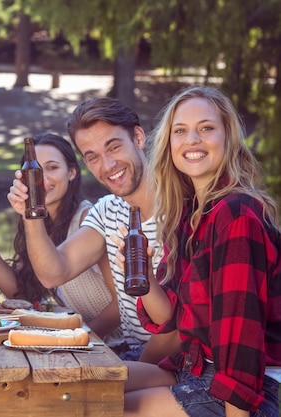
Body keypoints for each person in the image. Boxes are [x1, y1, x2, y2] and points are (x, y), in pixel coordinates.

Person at [120, 85, 280, 416]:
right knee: (85, 385)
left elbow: (241, 336)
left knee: (105, 408)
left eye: (206, 128)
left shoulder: (236, 214)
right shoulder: (191, 214)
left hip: (256, 387)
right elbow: (172, 320)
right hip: (196, 367)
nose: (192, 139)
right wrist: (146, 275)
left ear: (228, 139)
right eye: (181, 131)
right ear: (169, 144)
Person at [8, 97, 178, 362]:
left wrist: (127, 373)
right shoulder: (107, 210)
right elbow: (53, 272)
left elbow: (180, 329)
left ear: (138, 137)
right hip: (132, 358)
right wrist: (30, 213)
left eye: (114, 147)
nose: (107, 165)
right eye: (93, 157)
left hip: (172, 364)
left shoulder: (183, 209)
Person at [0, 133, 120, 339]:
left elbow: (121, 303)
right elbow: (19, 293)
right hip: (81, 338)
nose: (41, 180)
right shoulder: (39, 224)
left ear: (71, 172)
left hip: (114, 344)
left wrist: (79, 338)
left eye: (52, 168)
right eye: (34, 171)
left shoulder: (87, 219)